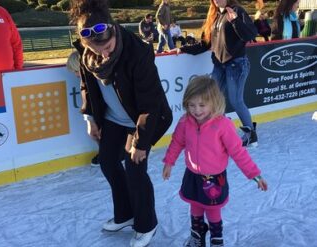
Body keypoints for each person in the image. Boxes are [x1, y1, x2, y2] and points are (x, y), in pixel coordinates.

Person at [70, 0, 173, 246]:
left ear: (114, 29)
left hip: (144, 119)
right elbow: (87, 86)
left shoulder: (138, 53)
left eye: (108, 46)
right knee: (107, 162)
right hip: (113, 118)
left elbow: (149, 105)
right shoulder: (87, 54)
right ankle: (126, 214)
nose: (104, 53)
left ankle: (147, 224)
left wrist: (139, 143)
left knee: (134, 167)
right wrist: (89, 117)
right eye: (97, 49)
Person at [162, 76, 268, 247]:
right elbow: (177, 142)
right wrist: (169, 162)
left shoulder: (223, 125)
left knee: (212, 210)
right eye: (192, 105)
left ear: (214, 102)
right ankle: (197, 235)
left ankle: (216, 240)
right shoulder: (185, 122)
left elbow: (238, 152)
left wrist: (255, 175)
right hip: (193, 175)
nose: (196, 110)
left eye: (202, 105)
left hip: (213, 179)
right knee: (195, 206)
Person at [172, 0, 259, 147]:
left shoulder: (237, 10)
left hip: (236, 64)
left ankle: (251, 135)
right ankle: (224, 132)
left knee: (236, 101)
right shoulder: (214, 15)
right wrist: (183, 49)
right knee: (212, 101)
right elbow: (205, 44)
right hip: (219, 65)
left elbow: (250, 34)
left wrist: (235, 21)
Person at [66, 46, 100, 167]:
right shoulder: (85, 81)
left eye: (76, 71)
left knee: (100, 132)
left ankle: (114, 153)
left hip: (104, 115)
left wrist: (90, 120)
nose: (75, 75)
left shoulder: (94, 80)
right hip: (98, 115)